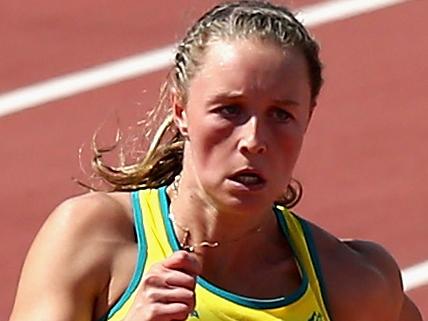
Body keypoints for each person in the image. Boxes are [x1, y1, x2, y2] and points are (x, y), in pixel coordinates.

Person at [9, 1, 422, 321]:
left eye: (281, 114)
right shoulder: (95, 239)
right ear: (181, 111)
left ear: (308, 119)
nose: (254, 141)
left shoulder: (351, 284)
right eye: (229, 109)